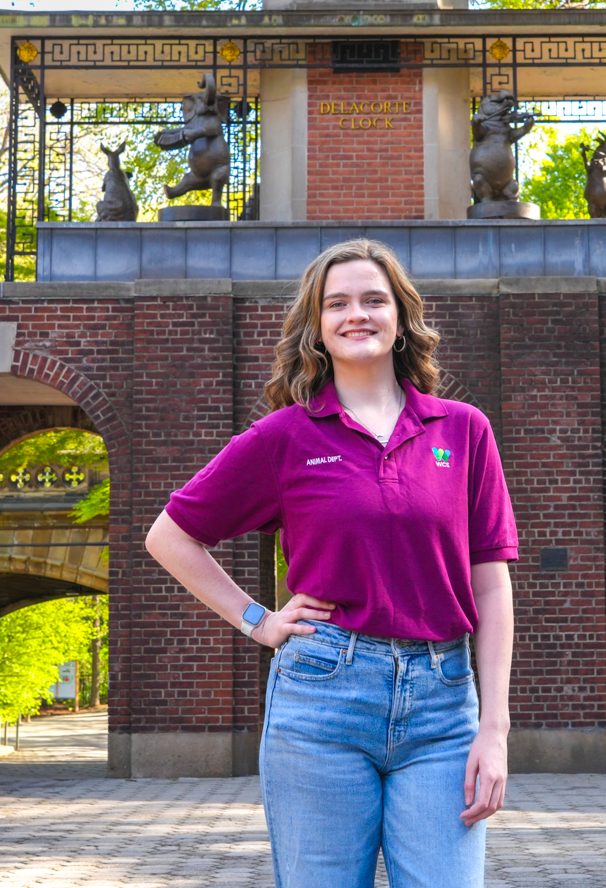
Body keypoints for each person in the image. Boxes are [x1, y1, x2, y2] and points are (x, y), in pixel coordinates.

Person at [145, 239, 517, 887]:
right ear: (317, 324)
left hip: (442, 705)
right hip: (322, 698)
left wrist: (494, 726)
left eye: (374, 299)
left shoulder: (463, 430)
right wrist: (256, 619)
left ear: (401, 317)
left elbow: (489, 583)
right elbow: (170, 535)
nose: (357, 313)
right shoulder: (286, 436)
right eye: (337, 302)